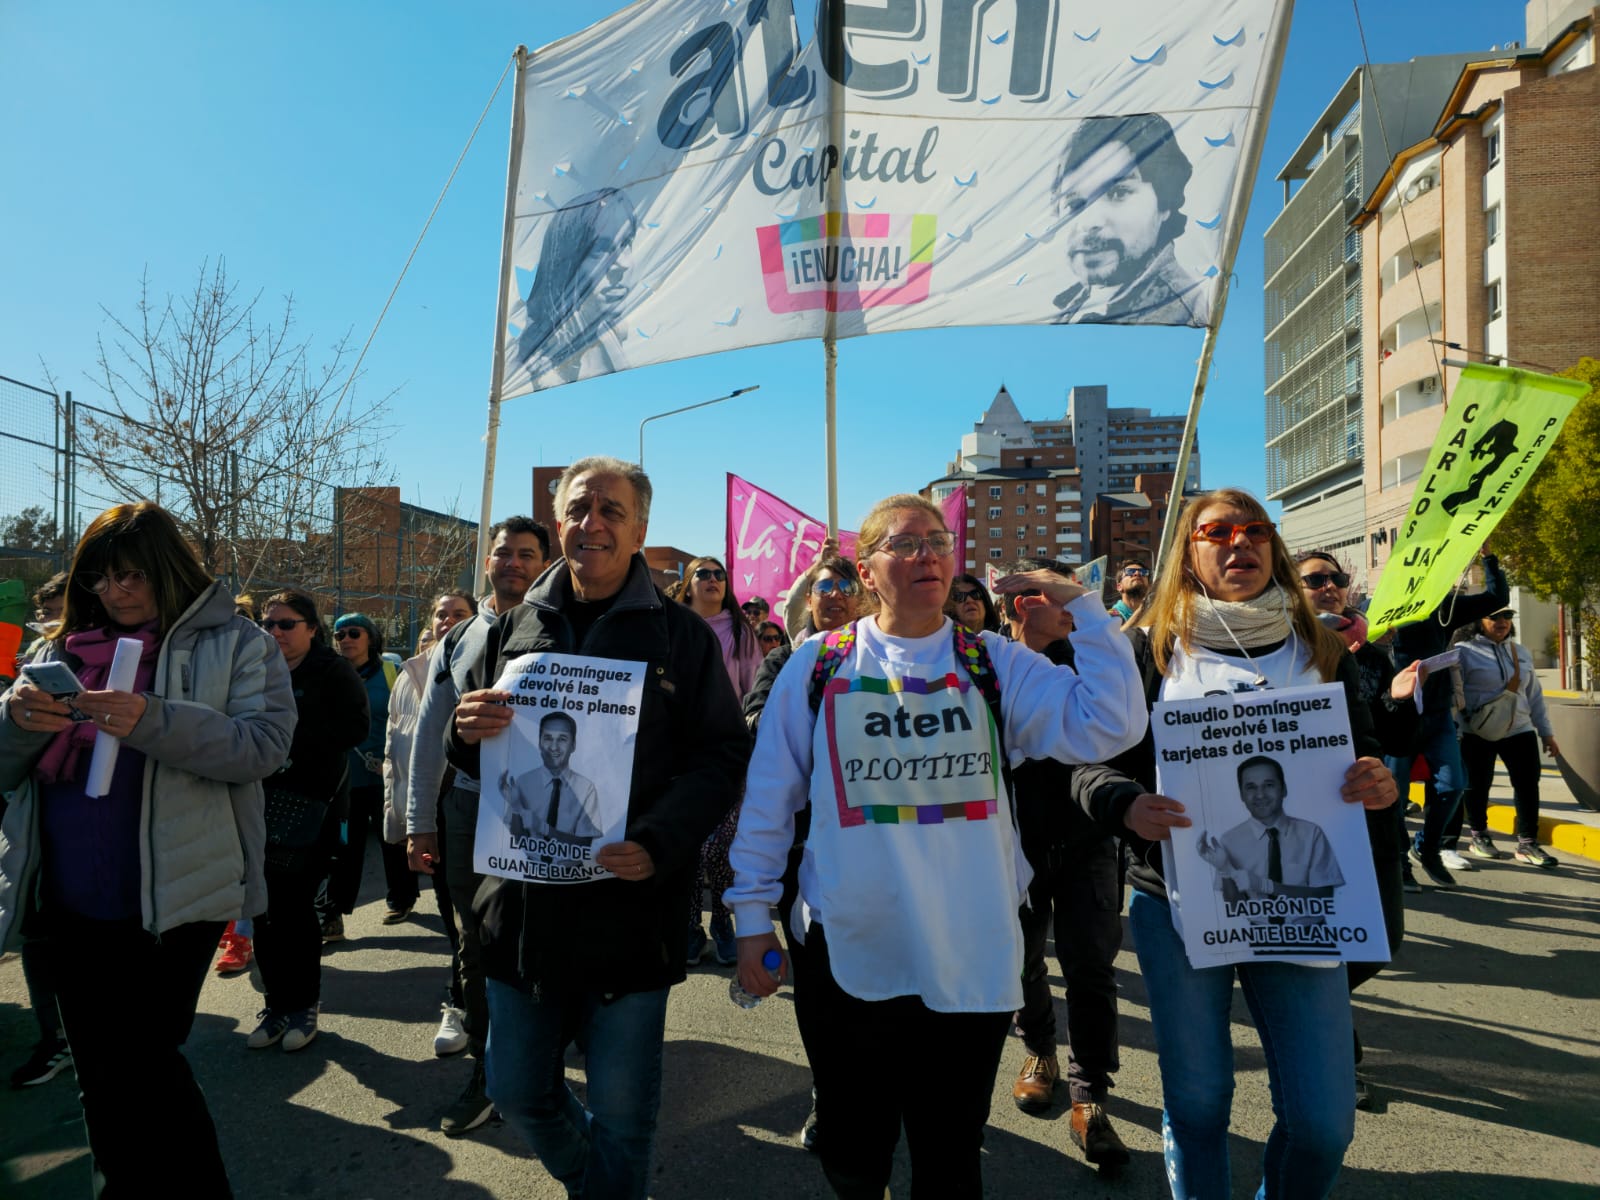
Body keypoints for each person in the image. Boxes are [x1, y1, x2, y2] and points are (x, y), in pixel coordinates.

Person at [727, 493, 1145, 1199]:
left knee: (949, 1154)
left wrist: (1086, 612)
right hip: (847, 953)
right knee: (854, 1148)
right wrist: (748, 919)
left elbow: (1111, 724)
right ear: (866, 569)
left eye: (937, 541)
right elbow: (770, 801)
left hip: (969, 952)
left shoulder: (992, 662)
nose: (926, 554)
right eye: (904, 542)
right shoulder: (818, 666)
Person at [1071, 487, 1397, 1200]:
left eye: (1254, 531)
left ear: (1273, 547)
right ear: (1188, 553)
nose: (1238, 544)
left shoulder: (1319, 645)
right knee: (1197, 1103)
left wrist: (1378, 781)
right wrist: (1125, 803)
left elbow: (1366, 751)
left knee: (1322, 1123)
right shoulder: (1150, 647)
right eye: (1216, 532)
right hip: (1183, 904)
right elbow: (1088, 764)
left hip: (1304, 912)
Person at [449, 456, 748, 1199]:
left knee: (622, 1110)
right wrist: (464, 730)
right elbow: (478, 752)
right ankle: (600, 1185)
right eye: (580, 508)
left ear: (641, 528)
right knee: (518, 1090)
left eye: (613, 511)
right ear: (559, 523)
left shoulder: (681, 636)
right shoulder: (509, 628)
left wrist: (658, 843)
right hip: (522, 909)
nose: (594, 524)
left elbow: (719, 756)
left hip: (630, 909)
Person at [0, 501, 296, 1195]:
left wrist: (153, 720)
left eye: (130, 574)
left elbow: (264, 748)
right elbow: (4, 767)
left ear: (167, 568)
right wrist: (16, 721)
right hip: (67, 902)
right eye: (98, 578)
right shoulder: (51, 651)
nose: (114, 592)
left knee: (144, 1068)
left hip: (174, 906)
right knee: (102, 1078)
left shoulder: (238, 643)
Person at [405, 516, 549, 1131]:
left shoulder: (568, 628)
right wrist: (418, 821)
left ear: (544, 563)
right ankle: (487, 1077)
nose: (512, 563)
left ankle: (539, 1062)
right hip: (466, 808)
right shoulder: (459, 636)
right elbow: (427, 737)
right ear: (485, 561)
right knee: (477, 943)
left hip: (547, 814)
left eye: (525, 554)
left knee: (544, 940)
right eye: (502, 553)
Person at [998, 559, 1131, 1171]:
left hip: (1086, 843)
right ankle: (1040, 1053)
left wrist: (1116, 799)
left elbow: (1108, 751)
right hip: (1014, 847)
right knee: (1023, 963)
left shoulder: (1099, 667)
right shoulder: (991, 670)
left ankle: (1089, 1095)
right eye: (1061, 597)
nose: (1075, 609)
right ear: (1028, 605)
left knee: (1091, 970)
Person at [741, 551, 867, 1155]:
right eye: (824, 587)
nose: (836, 595)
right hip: (800, 850)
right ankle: (829, 1092)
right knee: (818, 986)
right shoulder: (786, 660)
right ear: (807, 601)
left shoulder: (881, 661)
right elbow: (755, 722)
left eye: (847, 585)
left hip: (870, 849)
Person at [1297, 549, 1422, 1110]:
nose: (1329, 587)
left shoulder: (1373, 656)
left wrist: (1399, 701)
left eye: (1336, 579)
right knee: (1328, 949)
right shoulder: (1287, 654)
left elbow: (1391, 744)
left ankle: (1304, 1012)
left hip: (1370, 823)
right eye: (1314, 580)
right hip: (1309, 825)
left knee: (1379, 942)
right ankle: (1337, 1059)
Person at [251, 588, 368, 1054]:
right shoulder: (256, 669)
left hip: (312, 807)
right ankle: (276, 1006)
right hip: (257, 802)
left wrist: (289, 742)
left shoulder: (332, 671)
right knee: (261, 908)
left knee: (295, 909)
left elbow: (355, 729)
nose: (275, 632)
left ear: (312, 629)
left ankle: (303, 1006)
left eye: (286, 624)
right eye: (269, 624)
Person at [1387, 551, 1508, 887]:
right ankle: (1399, 861)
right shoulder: (1379, 609)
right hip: (1397, 716)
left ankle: (1426, 848)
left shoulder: (1443, 608)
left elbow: (1497, 597)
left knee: (1453, 785)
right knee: (1394, 795)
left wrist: (1490, 560)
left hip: (1438, 714)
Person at [680, 553, 763, 966]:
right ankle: (693, 927)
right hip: (680, 755)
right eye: (703, 574)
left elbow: (754, 690)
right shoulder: (673, 626)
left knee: (721, 847)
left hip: (730, 753)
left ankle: (725, 922)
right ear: (688, 584)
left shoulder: (742, 633)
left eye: (719, 575)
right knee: (689, 846)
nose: (712, 580)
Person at [1051, 113, 1211, 326]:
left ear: (1165, 204)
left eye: (1118, 193)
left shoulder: (1178, 312)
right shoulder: (1074, 302)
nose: (1089, 222)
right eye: (1075, 204)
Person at [319, 611, 412, 936]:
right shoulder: (331, 673)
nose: (345, 639)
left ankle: (401, 899)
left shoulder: (392, 672)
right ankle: (334, 915)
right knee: (344, 848)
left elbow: (409, 718)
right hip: (346, 779)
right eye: (339, 634)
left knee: (393, 840)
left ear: (370, 637)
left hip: (387, 776)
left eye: (353, 633)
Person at [1450, 608, 1561, 867]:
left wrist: (1546, 733)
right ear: (1480, 620)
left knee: (1527, 784)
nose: (1501, 622)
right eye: (1494, 617)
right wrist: (1455, 731)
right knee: (1478, 784)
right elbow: (1455, 696)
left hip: (1519, 729)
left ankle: (1527, 843)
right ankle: (1478, 835)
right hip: (1477, 731)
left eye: (1507, 617)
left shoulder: (1520, 652)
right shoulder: (1464, 651)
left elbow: (1534, 695)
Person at [516, 187, 637, 384]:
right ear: (566, 263)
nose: (622, 264)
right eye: (600, 249)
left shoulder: (612, 336)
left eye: (626, 243)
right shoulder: (538, 362)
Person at [1196, 756, 1344, 913]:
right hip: (1258, 935)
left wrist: (1266, 886)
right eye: (1251, 787)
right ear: (1241, 794)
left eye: (1269, 785)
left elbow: (1324, 896)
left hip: (1312, 933)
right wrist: (1224, 871)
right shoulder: (1229, 840)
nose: (1260, 795)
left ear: (1284, 789)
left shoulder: (1311, 833)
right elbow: (1234, 906)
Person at [500, 711, 604, 842]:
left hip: (569, 863)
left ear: (573, 745)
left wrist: (544, 828)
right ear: (539, 743)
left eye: (562, 739)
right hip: (526, 862)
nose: (554, 747)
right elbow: (515, 839)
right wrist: (516, 807)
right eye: (548, 738)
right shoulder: (523, 782)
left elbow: (585, 844)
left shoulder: (586, 788)